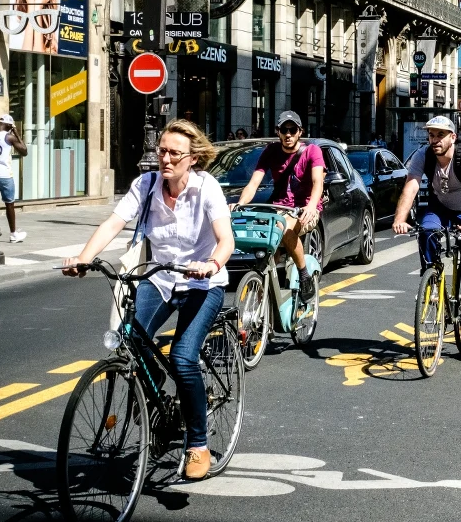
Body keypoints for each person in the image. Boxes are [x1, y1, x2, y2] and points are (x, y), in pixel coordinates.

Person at [63, 119, 232, 481]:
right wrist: (83, 257)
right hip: (159, 277)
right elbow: (113, 222)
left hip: (203, 283)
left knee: (184, 357)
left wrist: (211, 263)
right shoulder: (147, 184)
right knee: (129, 338)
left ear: (194, 158)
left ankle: (197, 445)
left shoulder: (207, 188)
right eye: (162, 151)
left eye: (174, 153)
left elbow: (226, 239)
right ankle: (152, 386)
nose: (166, 158)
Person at [392, 116, 461, 346]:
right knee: (426, 231)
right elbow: (411, 187)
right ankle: (432, 282)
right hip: (440, 208)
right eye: (431, 135)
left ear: (452, 137)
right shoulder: (423, 155)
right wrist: (400, 219)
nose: (434, 140)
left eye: (440, 135)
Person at [234, 110, 325, 303]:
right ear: (278, 131)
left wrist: (310, 206)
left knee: (285, 229)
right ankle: (264, 295)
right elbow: (253, 184)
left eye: (293, 130)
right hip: (278, 209)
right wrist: (240, 204)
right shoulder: (271, 151)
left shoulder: (312, 151)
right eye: (284, 130)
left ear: (300, 132)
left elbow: (318, 182)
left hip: (305, 210)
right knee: (265, 240)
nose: (288, 134)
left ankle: (304, 275)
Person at [0, 114, 29, 242]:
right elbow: (24, 151)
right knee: (9, 204)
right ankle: (13, 234)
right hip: (5, 175)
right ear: (8, 125)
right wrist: (17, 134)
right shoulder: (9, 136)